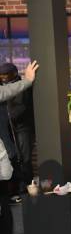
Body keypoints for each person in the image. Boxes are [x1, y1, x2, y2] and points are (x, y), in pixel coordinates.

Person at [0, 61, 39, 234]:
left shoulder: (11, 88)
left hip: (14, 139)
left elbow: (10, 94)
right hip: (6, 146)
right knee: (3, 203)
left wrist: (27, 80)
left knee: (3, 201)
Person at [0, 63, 35, 204]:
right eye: (1, 76)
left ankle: (24, 189)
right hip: (9, 128)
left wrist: (9, 116)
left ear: (13, 74)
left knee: (23, 158)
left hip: (22, 128)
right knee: (13, 158)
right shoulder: (5, 87)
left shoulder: (22, 87)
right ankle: (15, 190)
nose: (3, 79)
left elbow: (21, 107)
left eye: (5, 76)